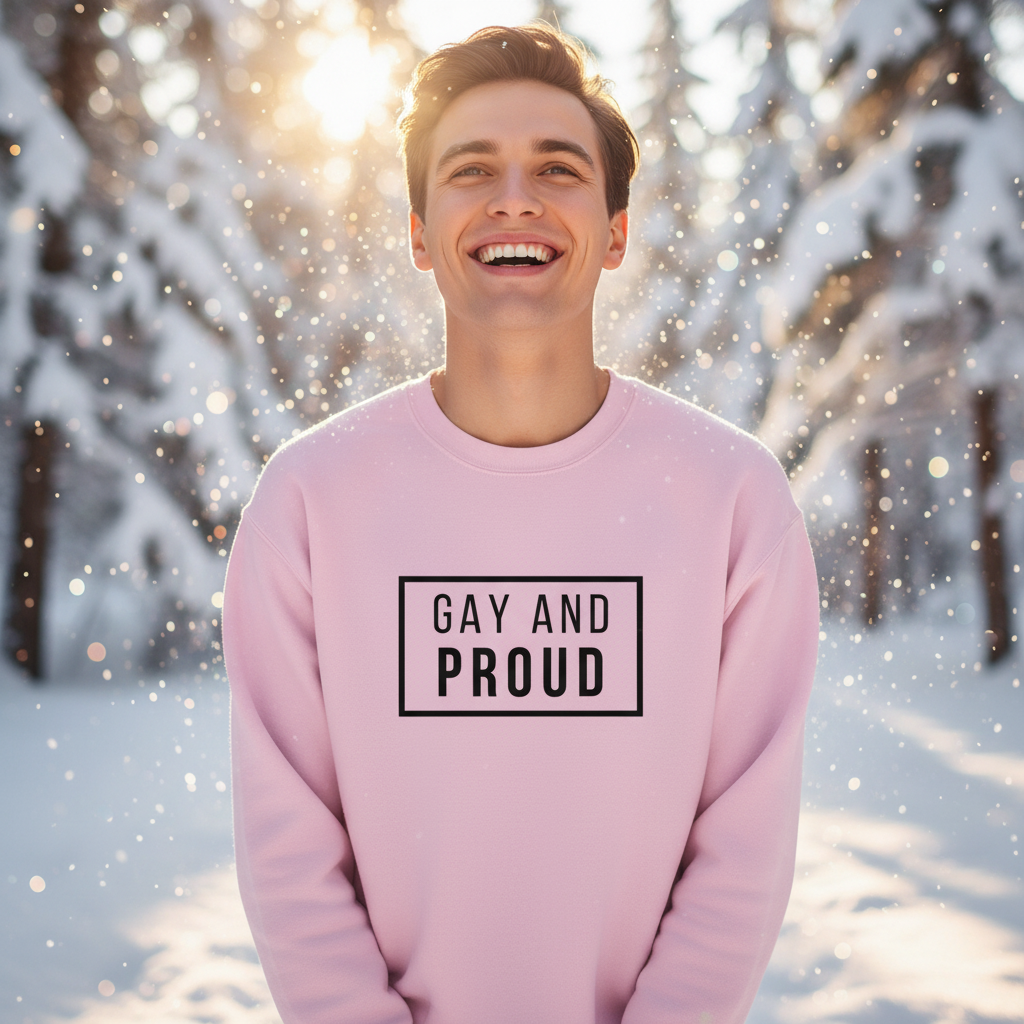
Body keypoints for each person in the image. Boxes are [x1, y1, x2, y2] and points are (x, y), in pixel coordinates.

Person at [223, 24, 819, 1024]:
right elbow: (290, 846)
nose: (515, 197)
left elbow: (743, 842)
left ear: (616, 229)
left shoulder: (730, 497)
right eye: (471, 170)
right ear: (418, 232)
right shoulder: (310, 499)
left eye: (557, 167)